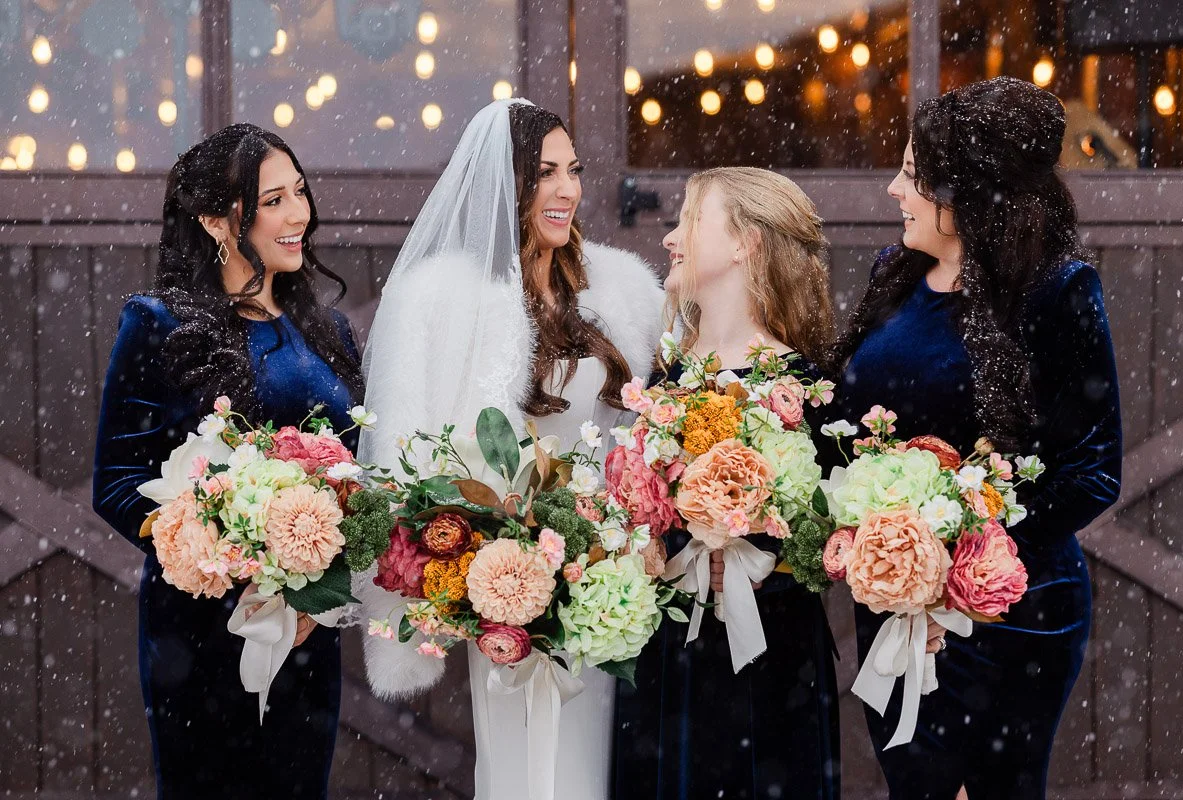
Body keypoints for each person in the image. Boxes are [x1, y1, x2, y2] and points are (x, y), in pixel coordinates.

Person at [352, 99, 664, 799]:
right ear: (509, 184)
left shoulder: (616, 290)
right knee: (519, 767)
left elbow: (646, 434)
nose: (566, 190)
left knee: (589, 769)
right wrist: (460, 563)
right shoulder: (447, 302)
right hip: (505, 583)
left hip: (603, 581)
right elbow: (408, 450)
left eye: (573, 171)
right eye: (545, 173)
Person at [833, 76, 1122, 799]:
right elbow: (849, 417)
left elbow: (1091, 471)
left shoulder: (1056, 292)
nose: (894, 190)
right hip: (895, 605)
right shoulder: (896, 273)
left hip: (1005, 612)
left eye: (912, 175)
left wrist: (953, 560)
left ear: (965, 192)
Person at [92, 123, 364, 798]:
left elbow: (362, 478)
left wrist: (320, 573)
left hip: (308, 630)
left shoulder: (330, 333)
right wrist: (223, 547)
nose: (299, 214)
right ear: (216, 221)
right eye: (273, 201)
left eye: (299, 192)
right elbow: (117, 482)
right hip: (201, 630)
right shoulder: (159, 323)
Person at [611, 166, 841, 800]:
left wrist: (759, 551)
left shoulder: (805, 387)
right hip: (669, 654)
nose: (670, 238)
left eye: (689, 219)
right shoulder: (662, 377)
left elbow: (830, 536)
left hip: (768, 659)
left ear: (746, 242)